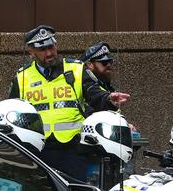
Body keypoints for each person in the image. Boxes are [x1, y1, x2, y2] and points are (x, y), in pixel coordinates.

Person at [9, 25, 129, 180]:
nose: (49, 53)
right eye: (43, 49)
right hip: (37, 150)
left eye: (51, 47)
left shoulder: (76, 69)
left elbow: (94, 94)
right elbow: (10, 109)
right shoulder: (22, 77)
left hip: (72, 150)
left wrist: (108, 99)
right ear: (31, 51)